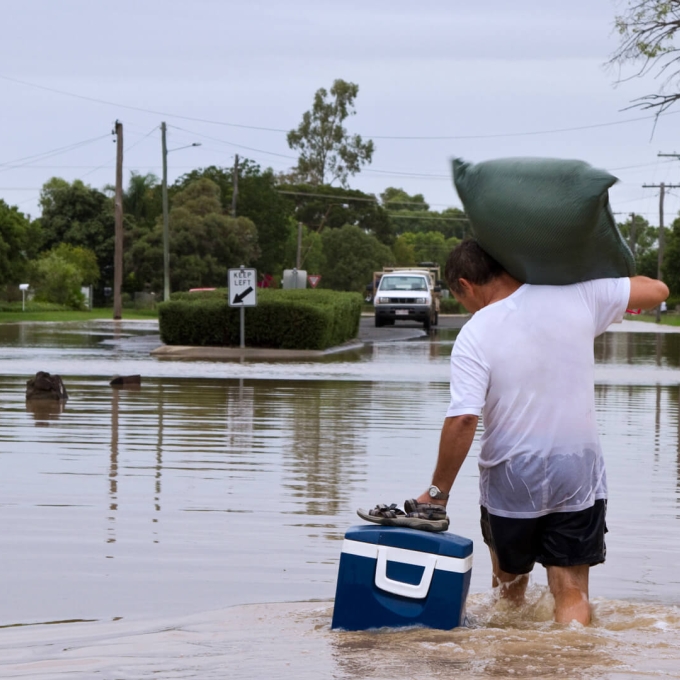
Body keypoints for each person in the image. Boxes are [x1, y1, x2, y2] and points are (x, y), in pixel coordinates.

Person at [360, 239, 669, 625]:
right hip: (576, 472)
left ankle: (510, 661)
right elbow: (658, 290)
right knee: (571, 590)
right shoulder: (578, 296)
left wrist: (437, 494)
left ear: (465, 285)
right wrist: (579, 269)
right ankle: (575, 658)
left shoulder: (476, 333)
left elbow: (463, 420)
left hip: (511, 475)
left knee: (508, 594)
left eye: (461, 299)